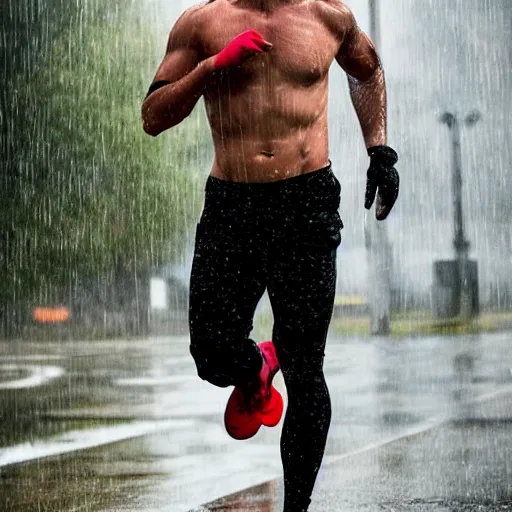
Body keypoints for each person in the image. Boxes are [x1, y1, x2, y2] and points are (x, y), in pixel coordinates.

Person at [141, 0, 399, 510]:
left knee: (306, 369)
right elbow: (153, 116)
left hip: (306, 204)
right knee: (211, 354)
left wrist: (380, 152)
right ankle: (255, 362)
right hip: (233, 206)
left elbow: (367, 73)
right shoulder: (201, 23)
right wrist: (211, 68)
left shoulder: (329, 17)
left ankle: (295, 508)